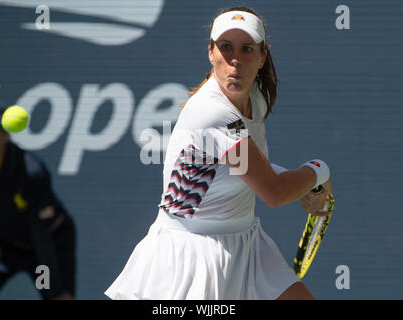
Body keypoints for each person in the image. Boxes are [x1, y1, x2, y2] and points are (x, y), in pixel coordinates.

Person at [105, 6, 334, 300]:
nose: (236, 60)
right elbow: (273, 192)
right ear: (211, 52)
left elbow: (245, 167)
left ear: (263, 56)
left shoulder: (256, 98)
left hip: (248, 247)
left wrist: (300, 185)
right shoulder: (213, 114)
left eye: (247, 48)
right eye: (226, 48)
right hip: (190, 257)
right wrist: (318, 170)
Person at [0, 98, 76, 300]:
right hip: (1, 247)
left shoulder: (31, 172)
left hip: (45, 245)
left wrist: (57, 291)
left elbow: (41, 234)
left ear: (5, 133)